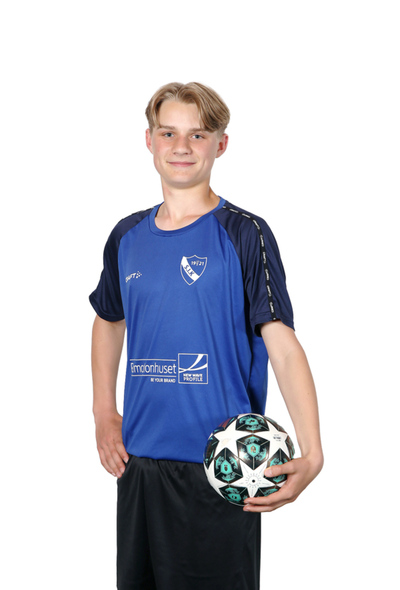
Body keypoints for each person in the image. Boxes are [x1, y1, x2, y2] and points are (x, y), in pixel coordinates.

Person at [90, 82, 323, 590]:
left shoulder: (243, 233)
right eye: (168, 133)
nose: (181, 146)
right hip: (139, 466)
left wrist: (313, 450)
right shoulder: (127, 236)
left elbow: (282, 344)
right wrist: (104, 410)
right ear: (148, 140)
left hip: (224, 468)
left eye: (198, 134)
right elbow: (108, 319)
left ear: (221, 144)